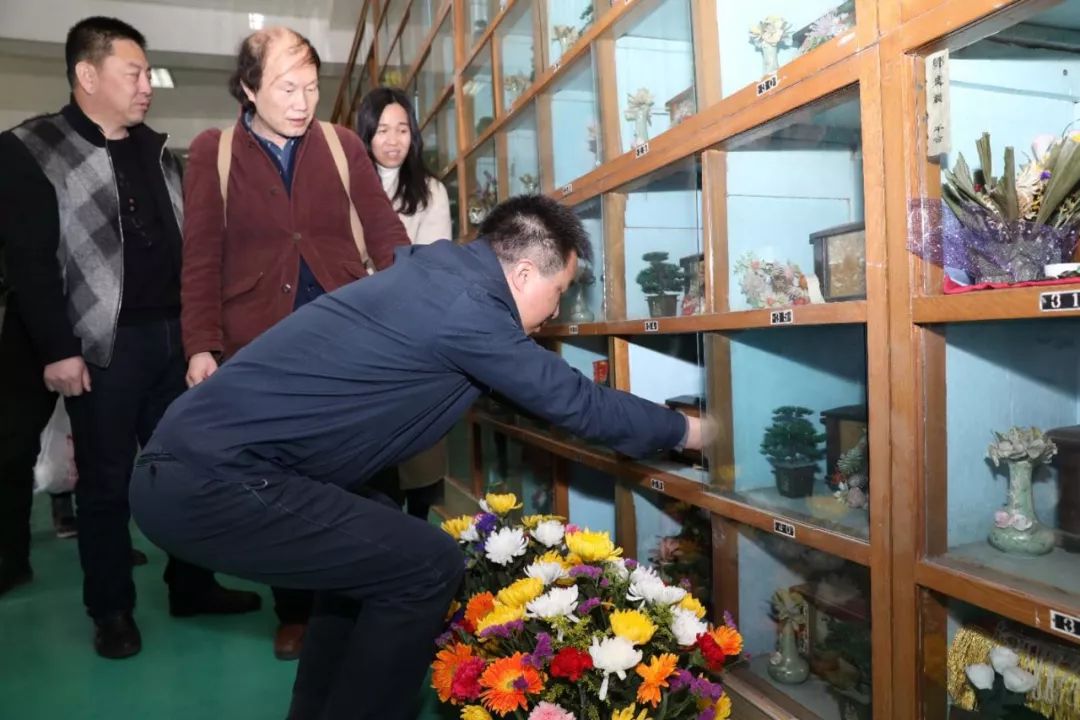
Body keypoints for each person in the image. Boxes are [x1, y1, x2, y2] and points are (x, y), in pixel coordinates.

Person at [129, 194, 706, 719]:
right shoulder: (467, 308)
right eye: (557, 296)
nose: (554, 315)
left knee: (370, 541)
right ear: (524, 273)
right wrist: (690, 430)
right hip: (212, 481)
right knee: (424, 564)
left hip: (191, 466)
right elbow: (575, 401)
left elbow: (522, 393)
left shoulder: (437, 282)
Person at [0, 16, 260, 658]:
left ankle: (191, 584)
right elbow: (29, 263)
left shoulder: (161, 152)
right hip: (101, 348)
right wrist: (58, 349)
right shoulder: (32, 148)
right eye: (134, 73)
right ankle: (110, 608)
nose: (148, 85)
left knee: (189, 471)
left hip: (177, 339)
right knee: (107, 486)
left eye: (148, 73)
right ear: (88, 75)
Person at [180, 28, 411, 660]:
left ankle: (381, 599)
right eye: (287, 87)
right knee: (283, 482)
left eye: (312, 87)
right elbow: (200, 257)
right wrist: (202, 346)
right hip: (264, 346)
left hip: (348, 336)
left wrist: (422, 295)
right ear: (249, 88)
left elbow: (386, 232)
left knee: (370, 471)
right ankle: (297, 612)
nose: (303, 101)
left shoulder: (339, 146)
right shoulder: (214, 152)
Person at [356, 85, 452, 520]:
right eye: (381, 130)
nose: (393, 140)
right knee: (368, 458)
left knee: (419, 454)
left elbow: (432, 263)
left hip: (415, 334)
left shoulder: (431, 190)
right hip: (359, 331)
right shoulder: (345, 188)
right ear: (365, 135)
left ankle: (415, 527)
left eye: (402, 130)